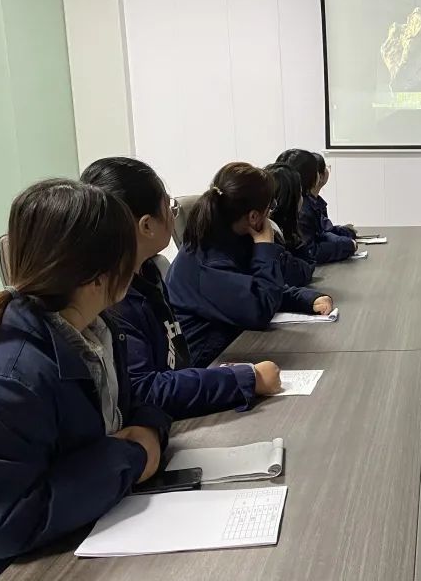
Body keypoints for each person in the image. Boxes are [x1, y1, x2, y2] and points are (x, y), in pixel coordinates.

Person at [0, 179, 170, 581]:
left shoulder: (94, 331)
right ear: (98, 276)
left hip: (77, 540)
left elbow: (134, 407)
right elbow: (8, 524)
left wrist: (147, 433)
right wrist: (134, 454)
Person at [82, 157, 285, 419]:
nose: (173, 214)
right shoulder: (113, 299)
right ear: (146, 225)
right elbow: (145, 391)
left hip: (181, 400)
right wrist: (246, 378)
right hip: (172, 411)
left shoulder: (149, 271)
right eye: (169, 206)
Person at [165, 162, 333, 367]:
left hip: (233, 345)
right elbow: (259, 308)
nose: (271, 214)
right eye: (270, 207)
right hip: (208, 363)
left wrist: (305, 299)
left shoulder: (229, 239)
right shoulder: (208, 262)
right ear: (254, 217)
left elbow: (254, 288)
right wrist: (265, 247)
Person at [276, 149, 357, 263]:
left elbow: (322, 234)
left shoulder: (301, 202)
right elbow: (311, 252)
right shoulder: (301, 209)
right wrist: (347, 246)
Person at [266, 161, 316, 286]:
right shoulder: (269, 232)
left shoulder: (284, 228)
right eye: (300, 193)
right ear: (291, 200)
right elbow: (301, 271)